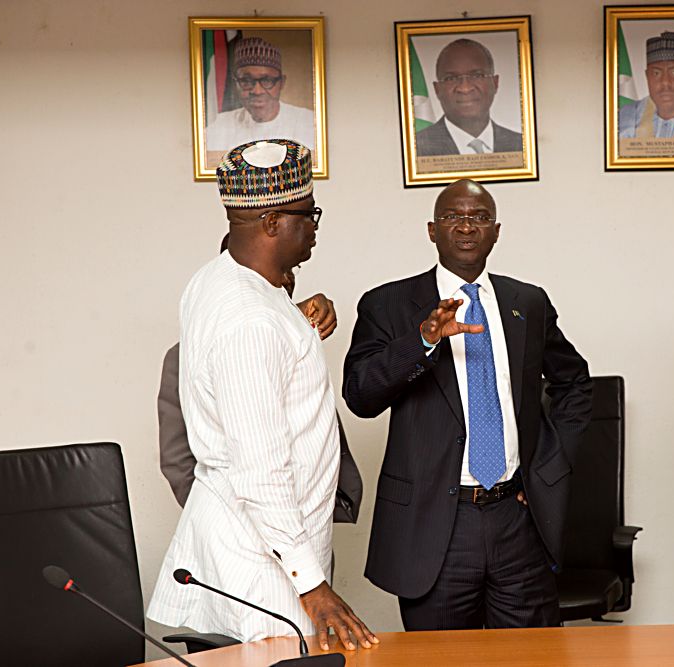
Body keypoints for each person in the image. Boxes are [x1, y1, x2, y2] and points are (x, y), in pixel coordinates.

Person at [148, 139, 377, 652]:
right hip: (264, 570)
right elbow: (260, 472)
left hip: (261, 548)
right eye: (308, 214)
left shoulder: (217, 280)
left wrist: (294, 317)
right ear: (273, 222)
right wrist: (314, 588)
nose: (315, 225)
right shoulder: (250, 323)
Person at [343, 178, 592, 631]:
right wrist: (423, 340)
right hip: (434, 524)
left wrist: (548, 467)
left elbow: (574, 383)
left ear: (496, 231)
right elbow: (360, 396)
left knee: (533, 662)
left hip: (517, 518)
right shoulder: (388, 303)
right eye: (452, 217)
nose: (465, 227)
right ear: (432, 230)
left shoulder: (527, 303)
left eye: (478, 218)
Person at [158, 240, 362, 524]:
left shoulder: (301, 332)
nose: (286, 278)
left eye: (291, 268)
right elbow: (177, 459)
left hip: (310, 520)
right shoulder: (184, 357)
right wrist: (225, 523)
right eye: (274, 268)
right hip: (237, 530)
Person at [206, 38, 316, 156]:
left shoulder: (308, 122)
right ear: (235, 83)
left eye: (267, 80)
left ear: (282, 83)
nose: (257, 91)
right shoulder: (219, 125)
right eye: (247, 81)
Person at [415, 39, 523, 156]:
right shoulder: (416, 149)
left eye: (477, 75)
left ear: (495, 83)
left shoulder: (522, 145)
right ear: (437, 89)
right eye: (451, 78)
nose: (464, 88)